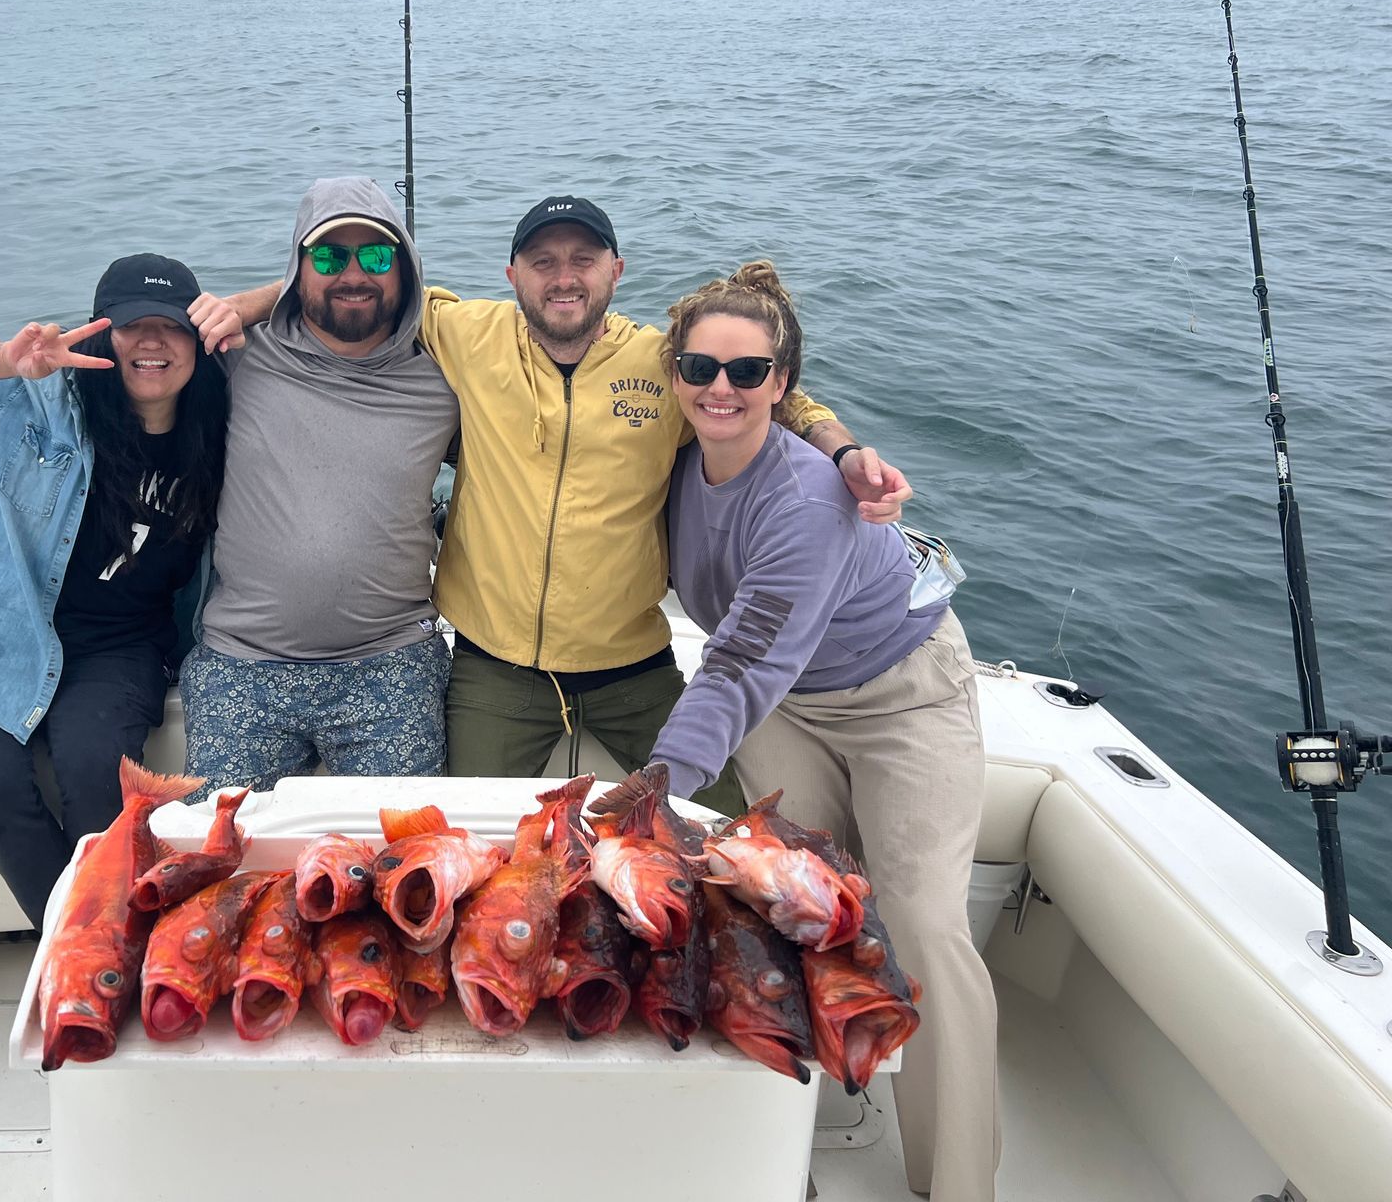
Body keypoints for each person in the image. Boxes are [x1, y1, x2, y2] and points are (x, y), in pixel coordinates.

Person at [648, 260, 998, 1202]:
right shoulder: (672, 457)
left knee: (923, 925)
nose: (721, 388)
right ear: (673, 371)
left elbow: (739, 663)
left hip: (901, 696)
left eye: (750, 372)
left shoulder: (808, 500)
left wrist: (653, 799)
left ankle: (957, 1180)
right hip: (792, 704)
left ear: (784, 383)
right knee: (788, 906)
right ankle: (776, 1144)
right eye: (701, 367)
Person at [416, 196, 912, 814]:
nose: (564, 277)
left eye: (584, 259)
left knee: (726, 833)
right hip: (494, 665)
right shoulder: (463, 333)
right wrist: (253, 306)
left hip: (631, 666)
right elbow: (356, 289)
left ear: (616, 271)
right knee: (465, 841)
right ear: (512, 275)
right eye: (542, 261)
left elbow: (780, 397)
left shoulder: (666, 363)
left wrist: (843, 454)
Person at [0, 254, 237, 927]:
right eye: (132, 326)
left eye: (173, 327)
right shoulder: (33, 394)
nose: (152, 342)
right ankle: (80, 946)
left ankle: (104, 942)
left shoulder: (221, 415)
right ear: (102, 335)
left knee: (102, 782)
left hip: (120, 646)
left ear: (198, 338)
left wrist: (245, 312)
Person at [176, 176, 459, 792]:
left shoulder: (445, 376)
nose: (353, 274)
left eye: (377, 256)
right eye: (328, 256)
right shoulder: (237, 354)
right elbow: (135, 371)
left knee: (407, 865)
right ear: (297, 268)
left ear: (405, 271)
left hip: (392, 663)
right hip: (242, 663)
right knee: (223, 865)